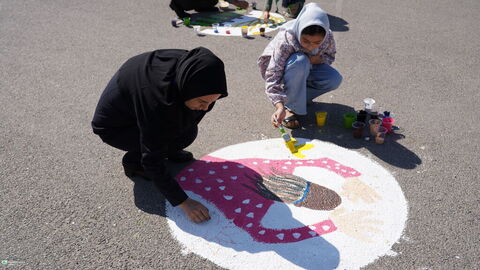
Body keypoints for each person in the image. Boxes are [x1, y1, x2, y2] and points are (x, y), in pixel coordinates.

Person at [91, 47, 228, 223]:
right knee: (163, 143)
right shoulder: (157, 102)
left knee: (187, 132)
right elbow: (152, 159)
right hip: (116, 126)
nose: (206, 108)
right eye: (202, 102)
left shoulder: (192, 70)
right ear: (187, 88)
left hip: (142, 107)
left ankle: (168, 149)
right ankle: (133, 162)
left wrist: (177, 130)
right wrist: (184, 202)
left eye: (212, 102)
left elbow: (192, 115)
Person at [258, 3, 342, 129]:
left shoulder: (327, 36)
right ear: (299, 30)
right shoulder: (287, 39)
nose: (310, 46)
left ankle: (296, 99)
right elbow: (273, 74)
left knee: (334, 78)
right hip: (284, 71)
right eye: (306, 41)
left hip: (305, 68)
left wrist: (315, 60)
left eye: (317, 42)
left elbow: (330, 57)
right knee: (300, 61)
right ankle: (289, 108)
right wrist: (279, 106)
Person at [169, 0, 249, 19]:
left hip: (197, 4)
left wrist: (236, 2)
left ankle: (201, 8)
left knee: (214, 7)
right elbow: (173, 3)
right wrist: (180, 13)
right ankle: (200, 7)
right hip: (183, 5)